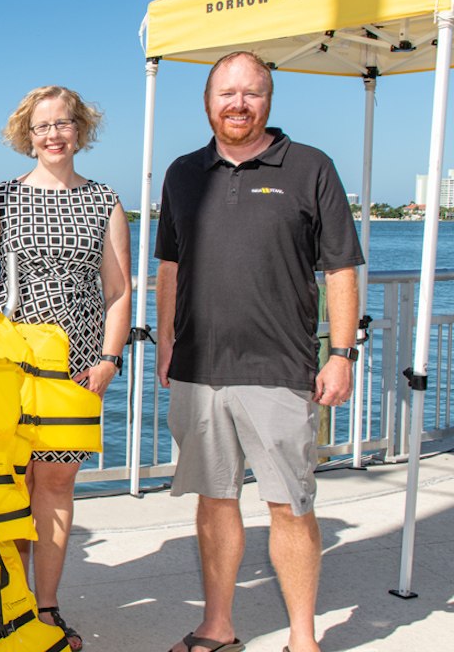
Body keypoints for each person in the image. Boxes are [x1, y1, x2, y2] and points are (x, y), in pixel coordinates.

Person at [155, 51, 362, 652]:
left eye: (252, 93)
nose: (238, 103)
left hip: (278, 367)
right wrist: (166, 341)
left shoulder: (310, 167)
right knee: (214, 501)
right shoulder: (182, 173)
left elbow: (341, 268)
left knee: (289, 506)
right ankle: (217, 628)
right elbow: (170, 267)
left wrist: (341, 353)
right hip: (197, 369)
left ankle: (303, 639)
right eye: (226, 93)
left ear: (268, 100)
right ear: (207, 100)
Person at [0, 85, 131, 652]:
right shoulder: (3, 198)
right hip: (7, 367)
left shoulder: (105, 201)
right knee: (6, 489)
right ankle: (8, 605)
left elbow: (119, 293)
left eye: (63, 124)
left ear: (80, 130)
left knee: (54, 485)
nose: (53, 135)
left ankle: (45, 608)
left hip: (75, 367)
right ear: (28, 137)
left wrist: (108, 359)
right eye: (42, 126)